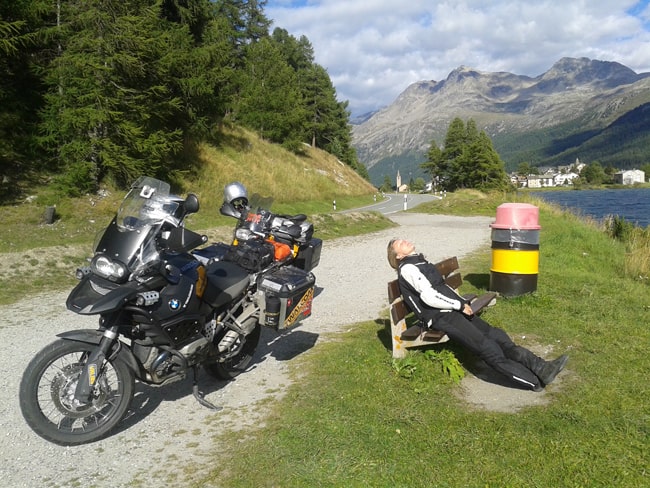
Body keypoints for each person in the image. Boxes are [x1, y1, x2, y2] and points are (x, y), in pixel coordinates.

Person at [387, 238, 568, 391]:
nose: (406, 241)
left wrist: (461, 303)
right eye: (400, 243)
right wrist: (458, 304)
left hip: (452, 309)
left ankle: (542, 368)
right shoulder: (408, 269)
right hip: (442, 316)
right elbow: (429, 297)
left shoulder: (419, 262)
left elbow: (441, 288)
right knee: (488, 347)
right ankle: (534, 382)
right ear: (399, 256)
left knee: (497, 336)